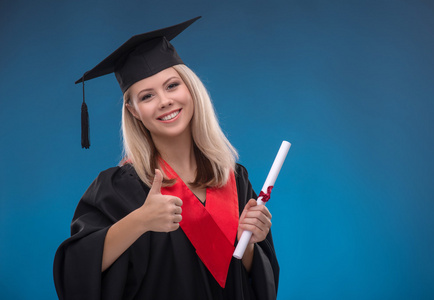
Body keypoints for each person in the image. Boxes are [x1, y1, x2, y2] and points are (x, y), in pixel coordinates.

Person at [53, 16, 279, 300]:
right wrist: (140, 221)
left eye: (172, 86)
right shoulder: (119, 188)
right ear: (134, 111)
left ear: (191, 89)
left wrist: (248, 240)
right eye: (147, 96)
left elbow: (254, 284)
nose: (164, 101)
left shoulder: (232, 178)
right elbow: (74, 273)